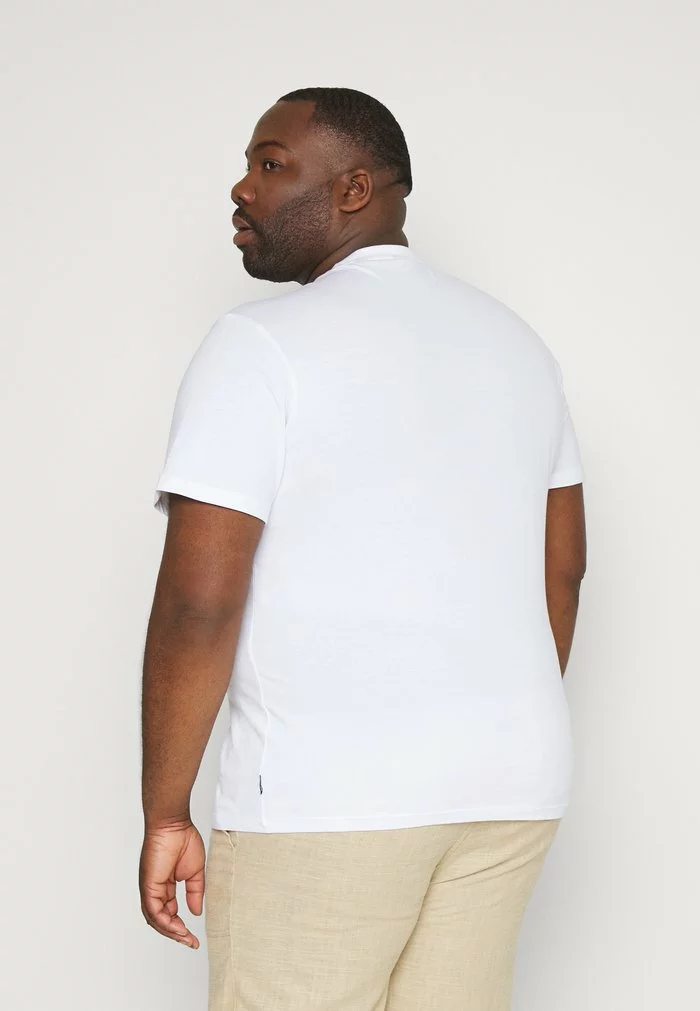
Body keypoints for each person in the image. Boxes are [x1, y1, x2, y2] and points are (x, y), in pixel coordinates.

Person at [139, 87, 586, 1011]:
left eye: (271, 164)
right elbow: (564, 566)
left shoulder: (258, 345)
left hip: (327, 796)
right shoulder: (517, 345)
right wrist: (491, 727)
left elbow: (198, 600)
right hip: (509, 788)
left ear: (354, 189)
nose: (242, 187)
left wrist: (167, 809)